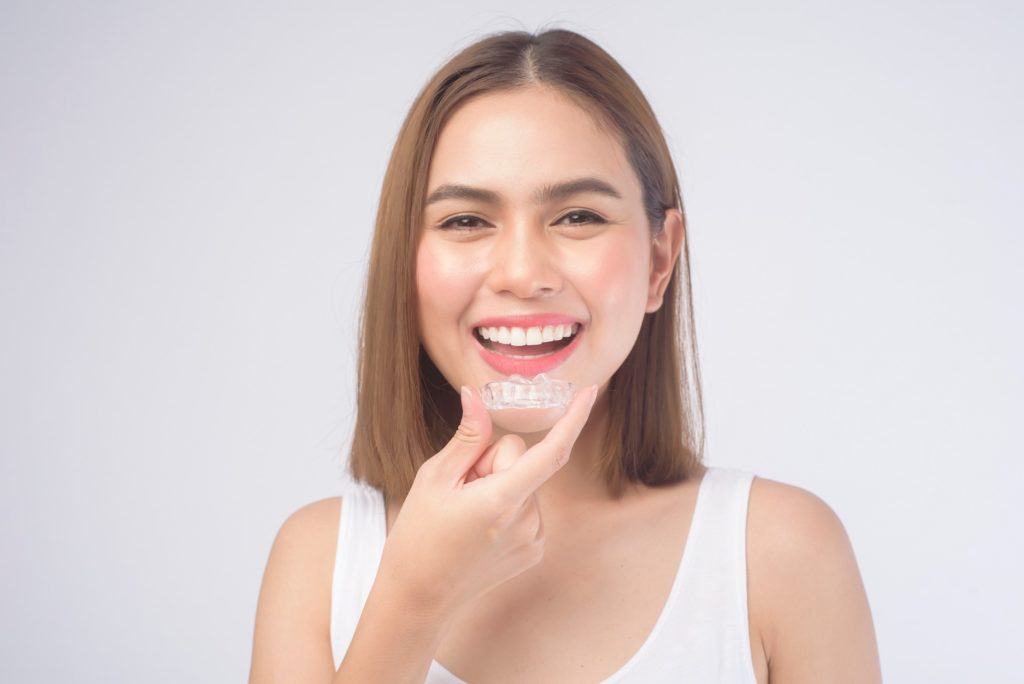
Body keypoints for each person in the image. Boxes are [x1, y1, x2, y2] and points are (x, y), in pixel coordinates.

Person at [249, 28, 881, 683]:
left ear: (660, 260)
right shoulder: (318, 561)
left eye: (578, 216)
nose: (523, 274)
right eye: (466, 220)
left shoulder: (781, 553)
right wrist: (412, 601)